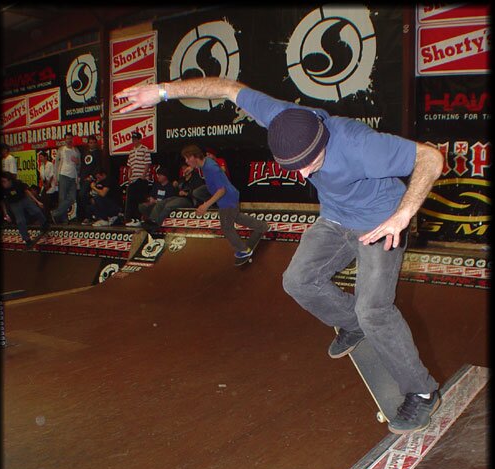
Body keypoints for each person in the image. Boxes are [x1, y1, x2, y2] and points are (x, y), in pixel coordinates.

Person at [118, 77, 444, 435]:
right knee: (298, 282)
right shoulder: (282, 118)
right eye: (294, 167)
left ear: (323, 141)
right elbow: (226, 87)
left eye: (309, 163)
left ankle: (423, 392)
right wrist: (161, 92)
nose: (303, 173)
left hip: (382, 224)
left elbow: (430, 157)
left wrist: (404, 214)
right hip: (335, 220)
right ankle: (352, 324)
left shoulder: (360, 145)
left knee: (374, 311)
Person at [180, 143, 269, 262]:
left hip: (226, 199)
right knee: (235, 216)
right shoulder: (205, 162)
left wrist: (206, 205)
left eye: (187, 158)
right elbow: (207, 159)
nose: (186, 161)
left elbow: (221, 190)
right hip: (231, 195)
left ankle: (244, 250)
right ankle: (263, 226)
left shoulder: (211, 169)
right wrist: (192, 167)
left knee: (226, 228)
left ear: (194, 157)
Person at [1, 170, 47, 247]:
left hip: (24, 199)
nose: (3, 184)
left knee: (36, 211)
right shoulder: (2, 188)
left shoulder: (17, 183)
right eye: (2, 182)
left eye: (4, 181)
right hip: (14, 204)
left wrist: (37, 202)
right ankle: (27, 240)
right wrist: (6, 214)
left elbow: (27, 191)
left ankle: (44, 223)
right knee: (20, 221)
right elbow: (2, 202)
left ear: (9, 181)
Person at [52, 131, 80, 223]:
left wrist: (77, 162)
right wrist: (55, 177)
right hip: (63, 174)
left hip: (73, 177)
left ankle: (55, 213)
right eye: (67, 139)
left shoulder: (76, 150)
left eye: (70, 138)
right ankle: (64, 219)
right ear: (65, 140)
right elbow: (56, 164)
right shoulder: (61, 150)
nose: (69, 140)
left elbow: (79, 165)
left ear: (72, 139)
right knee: (62, 198)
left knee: (72, 198)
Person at [124, 131, 152, 227]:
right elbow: (130, 166)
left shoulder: (144, 149)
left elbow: (147, 163)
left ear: (140, 139)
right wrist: (129, 177)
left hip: (141, 178)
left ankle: (137, 218)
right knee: (131, 198)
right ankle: (131, 218)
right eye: (133, 139)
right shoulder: (131, 151)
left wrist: (143, 176)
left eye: (136, 139)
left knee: (139, 199)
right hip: (133, 178)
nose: (134, 141)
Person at [138, 166, 176, 231]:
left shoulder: (170, 187)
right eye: (158, 175)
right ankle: (147, 220)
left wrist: (155, 201)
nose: (158, 176)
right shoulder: (156, 185)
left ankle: (152, 222)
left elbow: (168, 201)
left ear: (165, 176)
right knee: (142, 206)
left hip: (162, 207)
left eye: (160, 175)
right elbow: (151, 195)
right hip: (153, 204)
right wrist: (149, 200)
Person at [77, 135, 102, 222]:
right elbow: (83, 165)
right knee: (83, 196)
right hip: (83, 178)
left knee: (83, 195)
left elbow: (99, 166)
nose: (92, 144)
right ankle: (86, 216)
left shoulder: (99, 153)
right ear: (88, 144)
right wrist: (80, 176)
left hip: (91, 179)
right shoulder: (85, 153)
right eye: (90, 143)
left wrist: (92, 176)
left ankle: (89, 216)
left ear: (96, 143)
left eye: (94, 143)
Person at [38, 150, 58, 220]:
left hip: (50, 185)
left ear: (45, 157)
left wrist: (48, 184)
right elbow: (41, 176)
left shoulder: (50, 164)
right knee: (42, 200)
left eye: (41, 157)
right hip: (45, 185)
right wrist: (44, 184)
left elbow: (52, 175)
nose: (40, 159)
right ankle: (45, 217)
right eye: (39, 157)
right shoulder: (41, 166)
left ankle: (49, 217)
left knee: (48, 201)